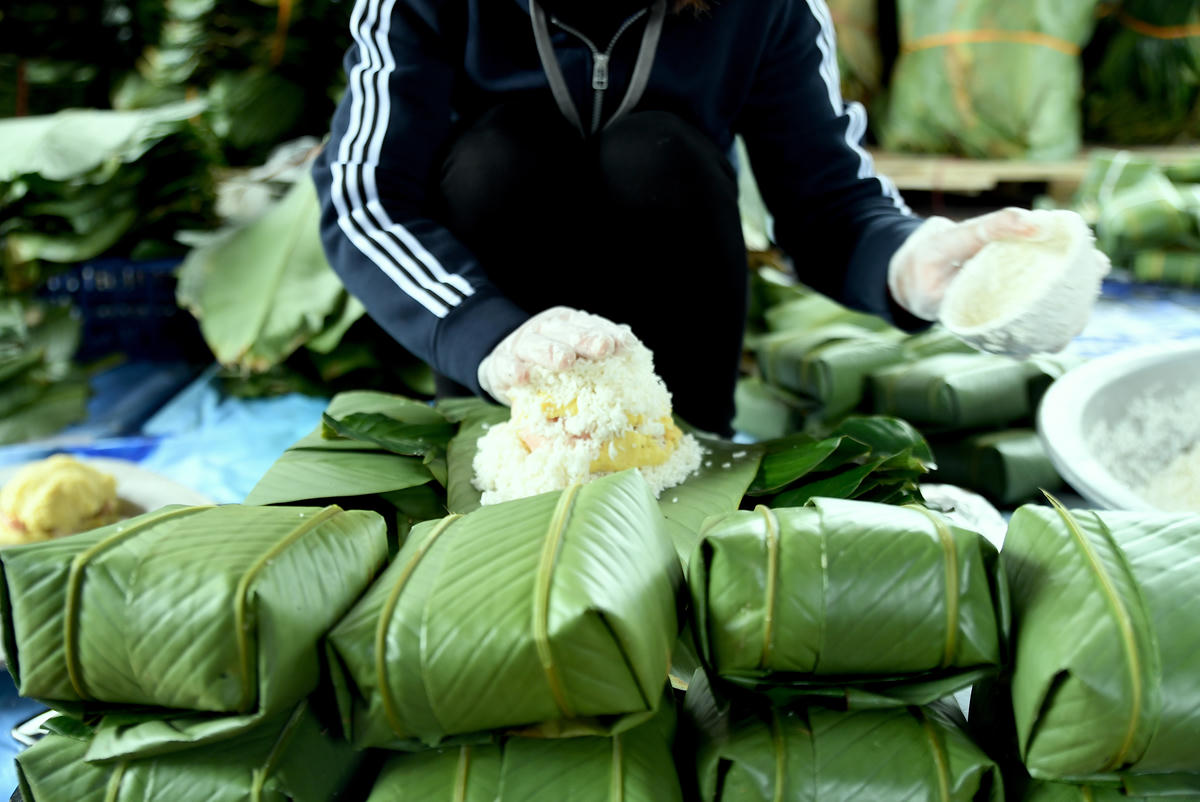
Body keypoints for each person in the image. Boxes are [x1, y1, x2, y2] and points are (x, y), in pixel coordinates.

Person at [312, 0, 1047, 436]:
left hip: (674, 328)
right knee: (501, 152)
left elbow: (826, 200)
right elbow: (365, 197)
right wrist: (485, 333)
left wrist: (906, 262)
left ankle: (691, 440)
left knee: (656, 152)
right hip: (505, 360)